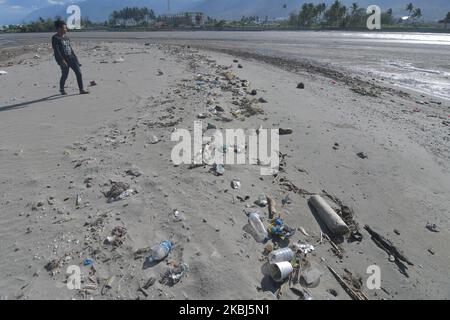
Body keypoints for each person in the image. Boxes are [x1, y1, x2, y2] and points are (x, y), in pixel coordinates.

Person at [51, 20, 89, 95]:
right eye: (65, 28)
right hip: (63, 60)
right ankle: (61, 89)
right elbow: (56, 50)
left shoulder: (67, 38)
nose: (66, 29)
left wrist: (76, 58)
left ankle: (81, 90)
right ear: (59, 28)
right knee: (65, 74)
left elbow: (70, 49)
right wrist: (62, 60)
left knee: (79, 73)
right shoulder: (55, 38)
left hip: (71, 58)